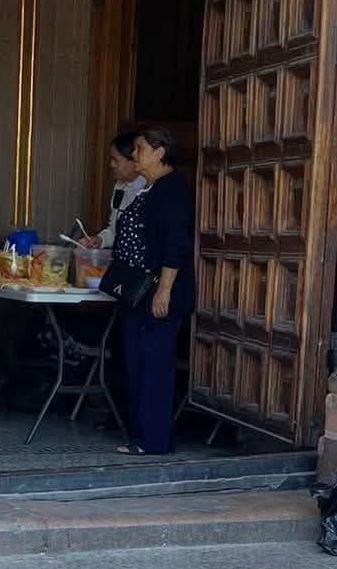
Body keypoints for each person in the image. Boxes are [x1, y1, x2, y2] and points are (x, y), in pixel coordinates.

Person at [111, 127, 195, 456]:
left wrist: (164, 290)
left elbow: (175, 245)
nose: (135, 155)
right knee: (135, 362)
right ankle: (140, 437)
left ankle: (154, 440)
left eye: (140, 149)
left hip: (157, 293)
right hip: (137, 293)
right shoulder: (149, 188)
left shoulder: (171, 191)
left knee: (154, 365)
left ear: (160, 152)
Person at [81, 132, 146, 250]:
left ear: (134, 161)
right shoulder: (120, 186)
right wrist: (100, 240)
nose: (111, 165)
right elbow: (114, 229)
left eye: (116, 160)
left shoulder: (148, 188)